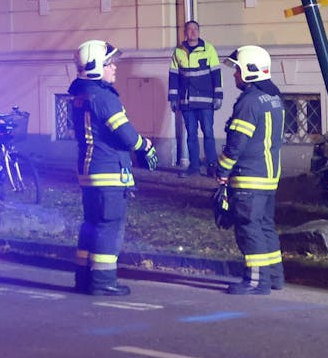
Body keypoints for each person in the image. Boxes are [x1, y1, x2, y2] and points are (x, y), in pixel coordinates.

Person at [70, 39, 160, 296]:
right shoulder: (104, 97)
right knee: (110, 226)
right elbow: (126, 135)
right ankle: (103, 281)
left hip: (89, 172)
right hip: (108, 171)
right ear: (97, 67)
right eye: (110, 63)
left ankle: (84, 278)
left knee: (92, 224)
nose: (115, 68)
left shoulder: (80, 94)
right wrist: (146, 146)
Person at [215, 45, 285, 295]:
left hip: (249, 177)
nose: (234, 74)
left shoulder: (249, 101)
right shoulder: (274, 97)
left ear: (251, 71)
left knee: (248, 227)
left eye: (237, 70)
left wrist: (222, 170)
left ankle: (256, 281)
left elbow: (236, 144)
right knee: (265, 225)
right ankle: (275, 276)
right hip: (269, 176)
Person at [168, 20, 223, 176]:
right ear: (185, 33)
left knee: (208, 134)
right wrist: (173, 98)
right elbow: (173, 76)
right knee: (191, 135)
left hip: (206, 101)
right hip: (186, 101)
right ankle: (194, 166)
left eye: (195, 29)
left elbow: (216, 74)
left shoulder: (208, 49)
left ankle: (211, 165)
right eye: (189, 29)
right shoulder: (178, 51)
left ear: (199, 32)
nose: (192, 32)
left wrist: (218, 95)